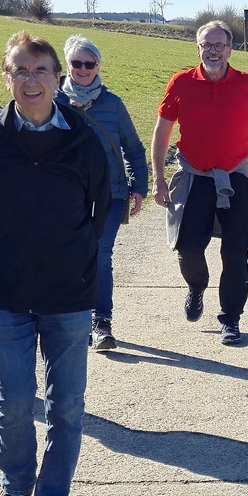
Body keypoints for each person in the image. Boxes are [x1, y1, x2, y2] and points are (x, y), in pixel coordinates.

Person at [0, 31, 111, 496]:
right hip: (4, 292)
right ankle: (16, 487)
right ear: (6, 79)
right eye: (20, 71)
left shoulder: (84, 140)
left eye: (40, 70)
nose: (30, 80)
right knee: (15, 402)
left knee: (66, 406)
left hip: (69, 293)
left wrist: (70, 254)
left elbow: (98, 208)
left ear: (57, 78)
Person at [151, 20, 248, 346]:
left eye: (219, 45)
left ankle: (231, 318)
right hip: (194, 176)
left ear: (229, 50)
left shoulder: (247, 85)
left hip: (235, 177)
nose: (213, 51)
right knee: (187, 248)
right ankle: (197, 286)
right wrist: (159, 179)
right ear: (197, 48)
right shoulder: (181, 83)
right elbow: (162, 133)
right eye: (207, 45)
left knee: (235, 252)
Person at [56, 34, 148, 352]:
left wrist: (139, 187)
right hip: (66, 196)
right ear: (67, 65)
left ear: (98, 66)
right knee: (71, 255)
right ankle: (74, 318)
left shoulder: (113, 104)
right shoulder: (53, 102)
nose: (83, 69)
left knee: (100, 253)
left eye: (89, 63)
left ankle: (101, 321)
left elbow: (133, 148)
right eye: (76, 63)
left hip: (110, 194)